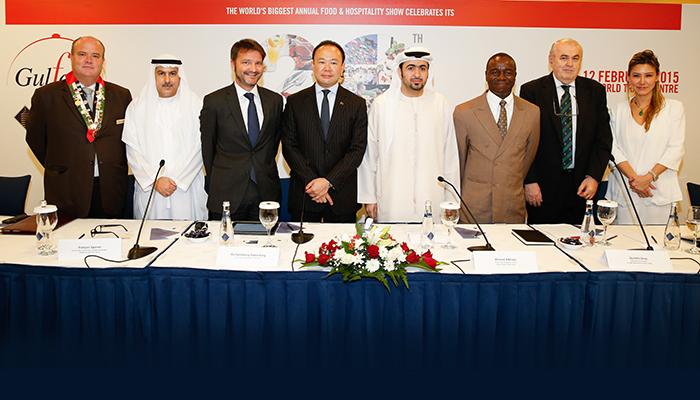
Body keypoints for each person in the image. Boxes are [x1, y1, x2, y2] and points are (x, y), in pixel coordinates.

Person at [26, 36, 132, 218]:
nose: (89, 60)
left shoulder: (122, 96)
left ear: (103, 61)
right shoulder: (46, 96)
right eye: (82, 54)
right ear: (71, 57)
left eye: (95, 56)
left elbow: (129, 140)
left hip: (111, 191)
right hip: (67, 190)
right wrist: (62, 167)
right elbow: (35, 140)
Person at [357, 46, 459, 223]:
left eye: (422, 68)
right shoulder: (382, 105)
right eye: (410, 68)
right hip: (391, 200)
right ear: (400, 72)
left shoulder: (440, 104)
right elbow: (369, 156)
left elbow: (450, 156)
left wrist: (451, 201)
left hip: (432, 198)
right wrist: (369, 197)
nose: (417, 74)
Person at [520, 38, 612, 224]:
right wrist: (530, 181)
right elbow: (523, 141)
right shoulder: (532, 91)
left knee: (581, 240)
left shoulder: (595, 91)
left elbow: (603, 140)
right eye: (563, 58)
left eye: (575, 58)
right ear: (551, 60)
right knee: (542, 240)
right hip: (542, 189)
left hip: (582, 188)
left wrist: (594, 177)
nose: (570, 64)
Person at [282, 40, 368, 223]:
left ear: (342, 67)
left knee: (344, 243)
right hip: (305, 195)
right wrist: (314, 183)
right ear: (313, 65)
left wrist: (328, 182)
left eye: (333, 62)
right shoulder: (295, 102)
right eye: (321, 62)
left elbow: (357, 149)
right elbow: (289, 146)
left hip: (342, 197)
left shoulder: (356, 104)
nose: (327, 68)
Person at [200, 39, 284, 221]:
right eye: (246, 62)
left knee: (267, 238)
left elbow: (273, 144)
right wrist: (219, 181)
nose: (253, 69)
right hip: (226, 193)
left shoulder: (275, 101)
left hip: (265, 194)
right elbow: (208, 149)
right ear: (233, 64)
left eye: (258, 63)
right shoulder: (214, 102)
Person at [453, 53, 540, 223]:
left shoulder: (532, 112)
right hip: (474, 208)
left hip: (512, 206)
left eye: (508, 72)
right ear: (486, 75)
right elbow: (459, 163)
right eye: (495, 72)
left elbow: (527, 158)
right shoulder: (464, 112)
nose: (501, 77)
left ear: (515, 76)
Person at [122, 55, 208, 220]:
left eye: (172, 73)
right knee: (150, 234)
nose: (167, 80)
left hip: (186, 190)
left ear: (179, 76)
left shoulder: (196, 105)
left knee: (188, 233)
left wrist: (178, 180)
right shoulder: (137, 107)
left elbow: (201, 147)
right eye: (161, 73)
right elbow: (132, 149)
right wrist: (154, 180)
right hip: (151, 190)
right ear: (153, 76)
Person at [607, 50, 685, 224]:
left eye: (648, 75)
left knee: (659, 240)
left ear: (657, 77)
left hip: (658, 192)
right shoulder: (618, 110)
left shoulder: (673, 108)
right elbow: (613, 149)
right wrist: (635, 180)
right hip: (626, 192)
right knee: (623, 240)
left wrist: (648, 177)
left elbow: (675, 149)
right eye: (636, 75)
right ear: (628, 78)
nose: (642, 81)